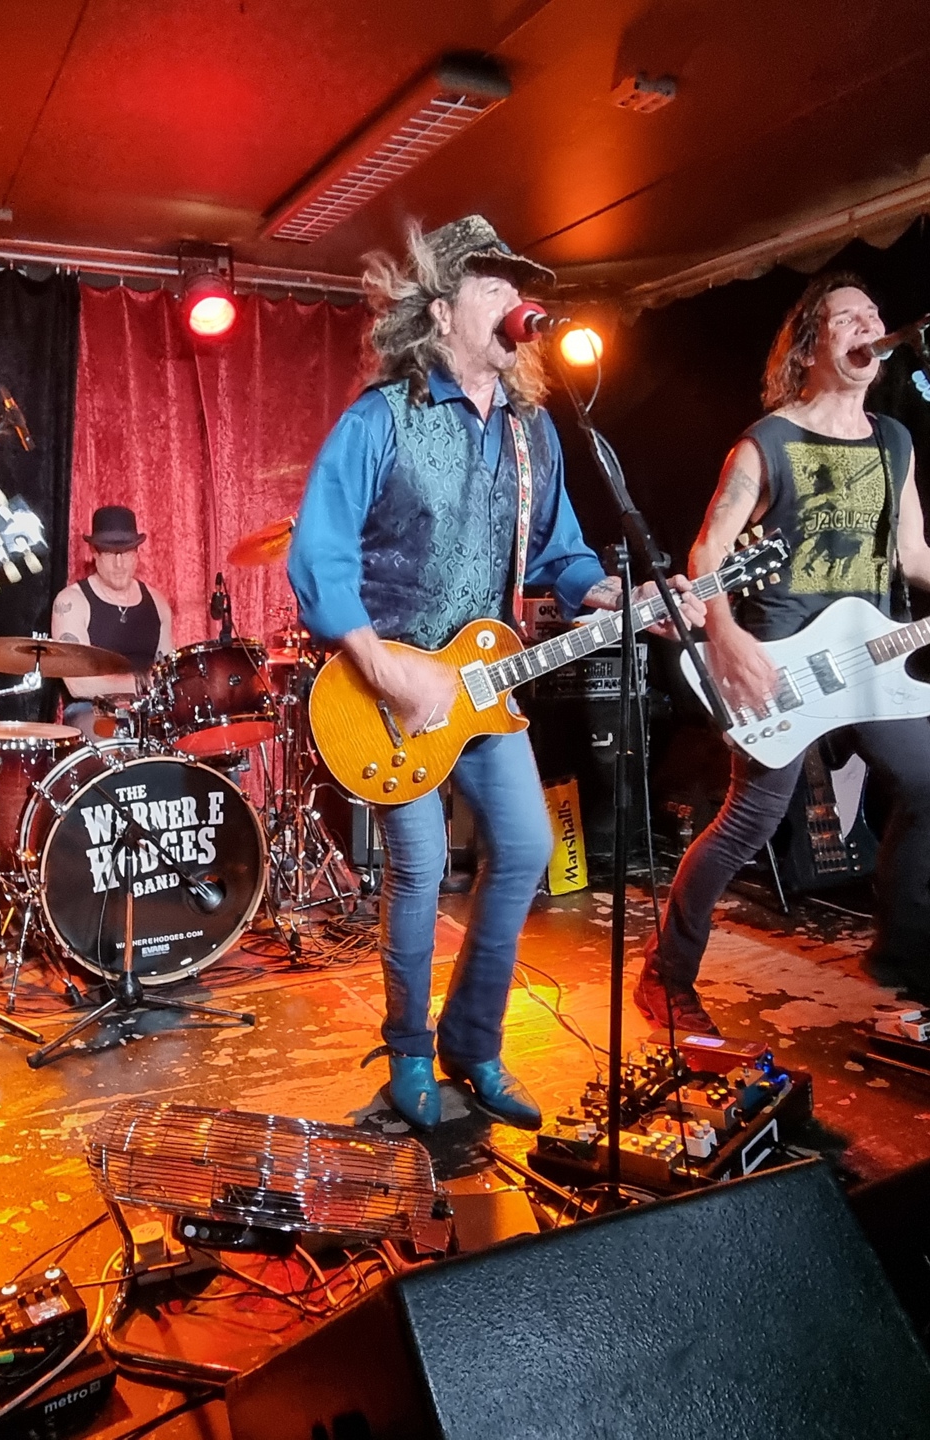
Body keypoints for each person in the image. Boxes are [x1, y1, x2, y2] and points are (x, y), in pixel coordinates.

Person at [286, 215, 691, 1130]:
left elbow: (561, 552)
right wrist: (386, 672)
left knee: (527, 849)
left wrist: (614, 602)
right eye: (494, 284)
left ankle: (474, 1042)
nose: (519, 300)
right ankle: (409, 1054)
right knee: (421, 867)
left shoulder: (532, 431)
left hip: (485, 685)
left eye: (521, 283)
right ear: (442, 312)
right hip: (384, 693)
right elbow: (318, 560)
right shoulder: (381, 419)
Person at [636, 273, 930, 1031]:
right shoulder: (767, 439)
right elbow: (707, 551)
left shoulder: (894, 441)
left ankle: (901, 948)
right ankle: (666, 972)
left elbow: (916, 556)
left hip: (869, 659)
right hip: (780, 657)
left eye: (875, 314)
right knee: (748, 823)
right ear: (811, 344)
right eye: (848, 317)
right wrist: (727, 635)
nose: (869, 324)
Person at [49, 505, 170, 737]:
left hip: (149, 710)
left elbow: (166, 675)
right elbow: (79, 685)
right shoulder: (72, 601)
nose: (119, 563)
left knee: (208, 748)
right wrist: (142, 683)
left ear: (136, 553)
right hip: (92, 709)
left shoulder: (158, 602)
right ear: (94, 553)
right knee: (112, 744)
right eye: (109, 553)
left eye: (126, 552)